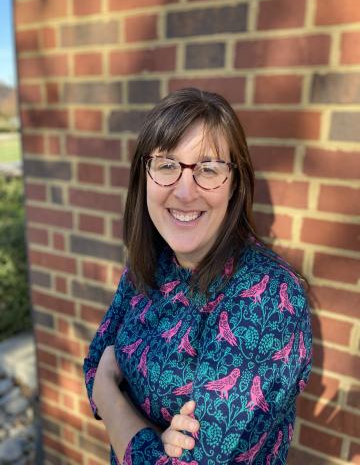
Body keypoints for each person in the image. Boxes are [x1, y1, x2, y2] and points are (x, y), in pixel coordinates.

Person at [83, 88, 312, 465]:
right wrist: (155, 436)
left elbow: (102, 378)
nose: (185, 191)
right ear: (145, 177)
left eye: (208, 169)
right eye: (167, 165)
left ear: (235, 183)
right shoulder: (148, 264)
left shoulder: (268, 299)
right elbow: (93, 362)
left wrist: (110, 394)